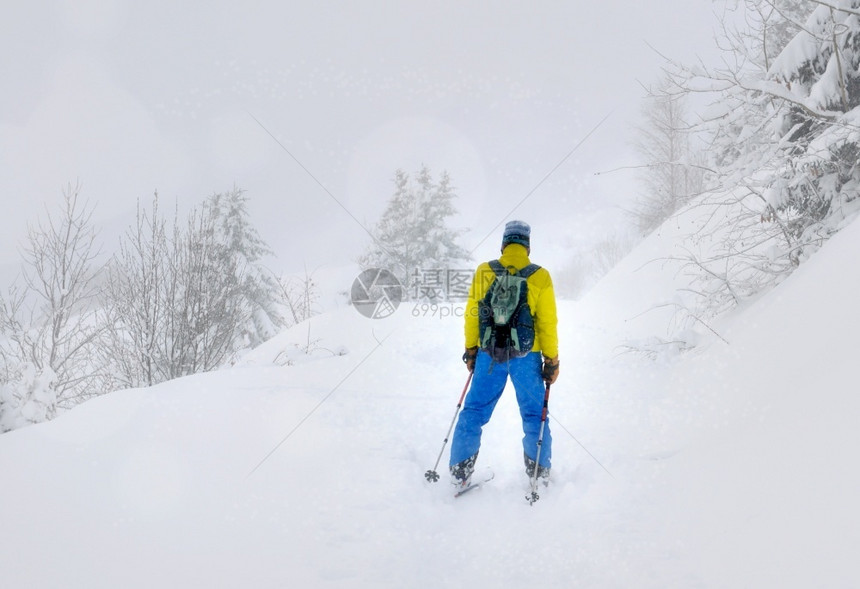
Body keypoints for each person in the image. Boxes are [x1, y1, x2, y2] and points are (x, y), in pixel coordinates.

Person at [449, 220, 559, 489]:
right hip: (527, 357)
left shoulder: (484, 271)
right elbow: (547, 322)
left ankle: (460, 474)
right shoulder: (540, 276)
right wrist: (552, 359)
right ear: (528, 246)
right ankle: (538, 475)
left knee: (473, 411)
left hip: (489, 355)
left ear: (503, 244)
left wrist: (471, 350)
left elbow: (472, 314)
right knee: (535, 415)